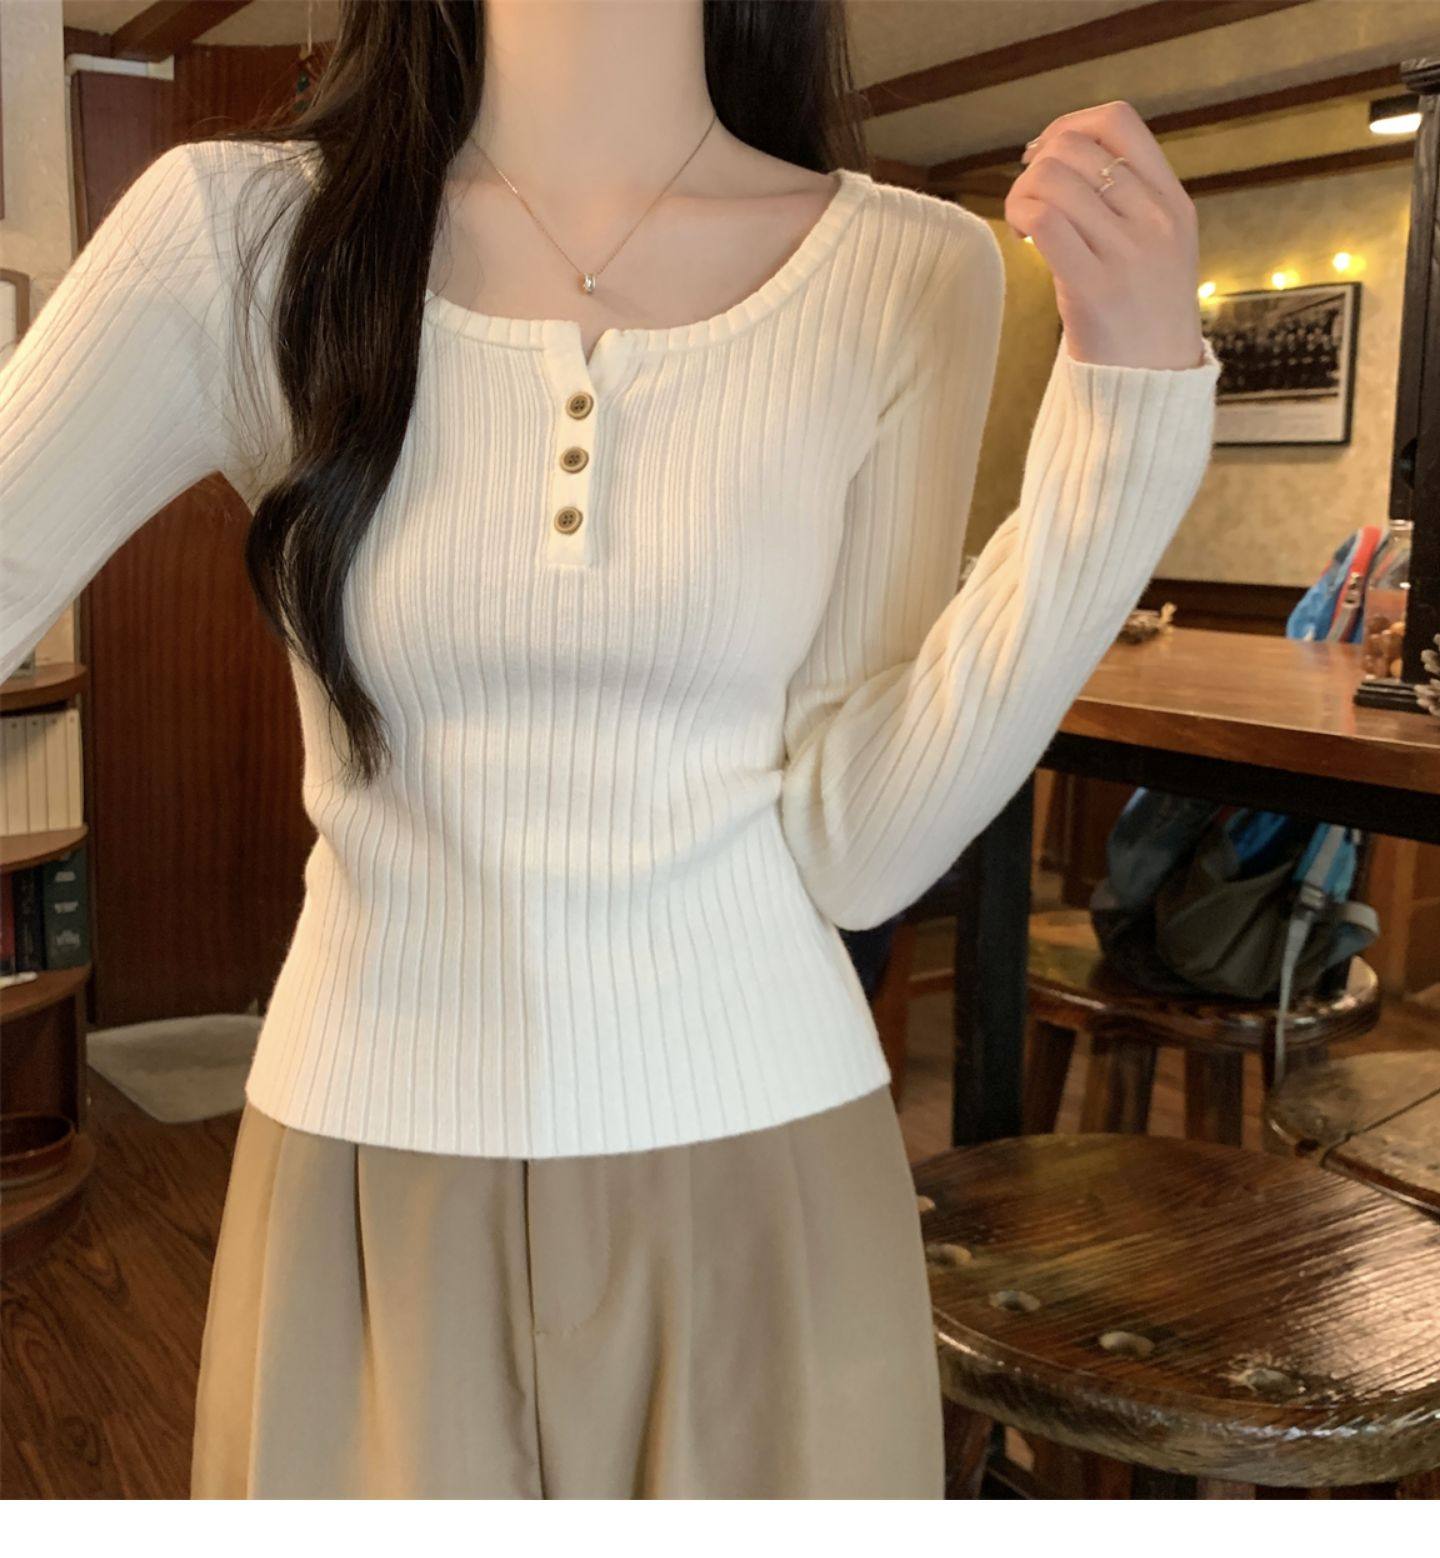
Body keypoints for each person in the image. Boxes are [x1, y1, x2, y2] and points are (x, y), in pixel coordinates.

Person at [0, 0, 1219, 1498]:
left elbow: (862, 846)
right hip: (370, 1173)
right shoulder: (239, 236)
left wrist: (1127, 426)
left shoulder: (907, 267)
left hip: (770, 1170)